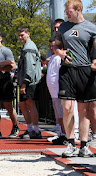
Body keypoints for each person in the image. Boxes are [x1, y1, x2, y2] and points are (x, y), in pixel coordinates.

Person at [54, 0, 96, 157]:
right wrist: (60, 53)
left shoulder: (92, 28)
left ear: (78, 10)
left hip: (84, 71)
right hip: (67, 71)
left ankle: (84, 145)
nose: (66, 13)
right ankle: (70, 143)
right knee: (67, 107)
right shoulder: (64, 27)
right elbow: (57, 46)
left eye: (69, 10)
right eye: (65, 10)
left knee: (83, 109)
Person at [17, 26, 42, 139]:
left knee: (30, 104)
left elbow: (29, 67)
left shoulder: (29, 48)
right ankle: (30, 128)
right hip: (26, 81)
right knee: (22, 104)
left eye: (22, 35)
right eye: (19, 35)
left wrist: (24, 83)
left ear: (28, 34)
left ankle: (36, 131)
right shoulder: (26, 47)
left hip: (30, 82)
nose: (20, 37)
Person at [46, 36, 67, 145]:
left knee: (62, 114)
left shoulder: (59, 58)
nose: (51, 48)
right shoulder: (53, 58)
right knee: (57, 114)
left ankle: (66, 135)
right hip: (53, 91)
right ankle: (61, 133)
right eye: (50, 46)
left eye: (53, 46)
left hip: (58, 91)